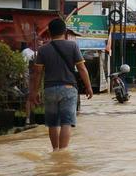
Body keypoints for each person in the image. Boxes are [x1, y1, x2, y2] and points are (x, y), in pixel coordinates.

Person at [27, 17, 93, 151]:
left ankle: (55, 150)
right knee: (66, 123)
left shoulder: (43, 50)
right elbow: (82, 69)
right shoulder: (72, 46)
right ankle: (62, 153)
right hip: (69, 88)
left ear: (50, 33)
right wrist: (89, 87)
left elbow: (37, 73)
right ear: (65, 32)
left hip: (50, 89)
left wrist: (34, 92)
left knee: (52, 123)